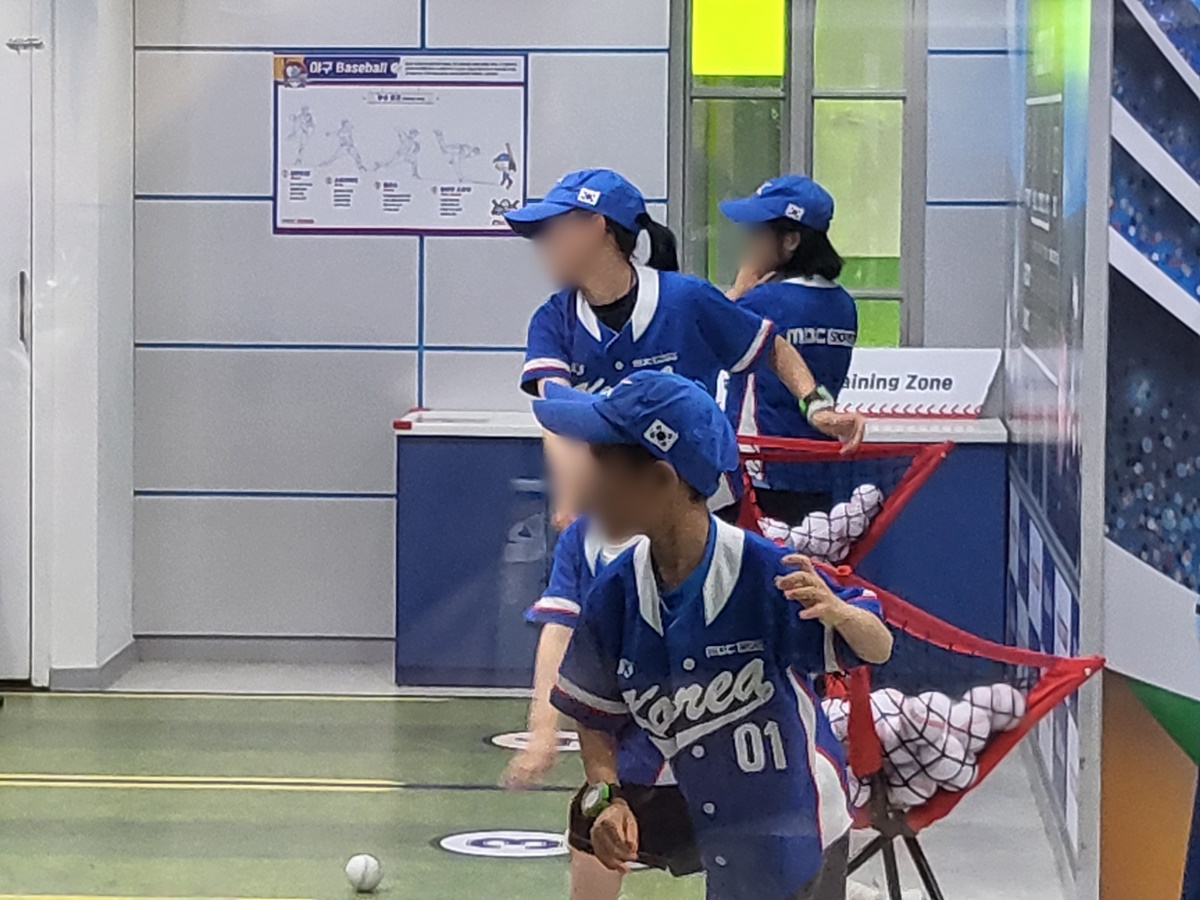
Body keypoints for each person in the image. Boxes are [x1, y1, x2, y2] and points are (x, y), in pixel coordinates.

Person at [535, 370, 893, 900]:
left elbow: (878, 646)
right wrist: (605, 797)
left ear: (660, 481)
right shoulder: (615, 595)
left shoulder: (765, 575)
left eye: (602, 466)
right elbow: (594, 715)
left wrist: (842, 614)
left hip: (796, 823)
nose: (585, 487)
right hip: (712, 815)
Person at [505, 168, 866, 521]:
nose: (542, 244)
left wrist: (816, 405)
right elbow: (557, 409)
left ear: (595, 227)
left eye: (551, 229)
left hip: (703, 505)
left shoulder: (686, 299)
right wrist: (570, 493)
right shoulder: (552, 320)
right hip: (614, 508)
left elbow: (772, 346)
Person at [721, 175, 860, 524]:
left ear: (791, 240)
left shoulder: (762, 300)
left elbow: (708, 337)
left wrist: (739, 290)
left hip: (758, 468)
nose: (750, 245)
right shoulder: (843, 303)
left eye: (758, 234)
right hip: (817, 464)